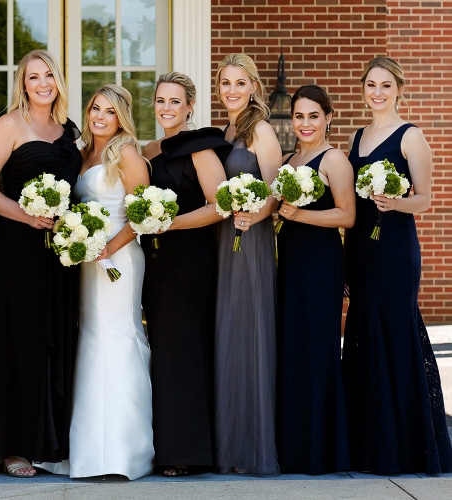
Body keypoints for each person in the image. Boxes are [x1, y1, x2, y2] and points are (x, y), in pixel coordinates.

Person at [0, 49, 81, 477]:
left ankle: (50, 443)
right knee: (19, 342)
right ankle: (13, 448)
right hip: (17, 248)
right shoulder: (9, 125)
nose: (42, 83)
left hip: (61, 252)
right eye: (33, 76)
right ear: (23, 83)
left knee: (56, 337)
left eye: (49, 75)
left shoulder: (69, 130)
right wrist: (25, 214)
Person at [342, 56, 452, 474]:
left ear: (398, 90)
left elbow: (425, 199)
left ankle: (407, 447)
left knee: (394, 331)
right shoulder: (357, 136)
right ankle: (366, 445)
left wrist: (394, 203)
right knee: (363, 332)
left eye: (385, 85)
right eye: (371, 84)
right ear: (363, 89)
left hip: (394, 250)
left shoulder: (411, 136)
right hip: (361, 248)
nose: (377, 92)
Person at [48, 84, 154, 479]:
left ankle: (124, 453)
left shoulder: (127, 154)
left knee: (118, 338)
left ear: (121, 117)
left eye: (110, 111)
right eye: (96, 108)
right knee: (90, 341)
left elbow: (143, 214)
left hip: (118, 259)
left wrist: (108, 247)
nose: (100, 116)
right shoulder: (81, 154)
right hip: (85, 259)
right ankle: (88, 449)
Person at [141, 72, 231, 476]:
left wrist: (171, 224)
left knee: (183, 352)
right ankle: (165, 445)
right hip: (155, 263)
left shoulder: (200, 148)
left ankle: (187, 452)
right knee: (163, 352)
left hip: (189, 261)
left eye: (175, 101)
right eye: (161, 100)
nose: (166, 108)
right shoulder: (148, 150)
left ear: (190, 106)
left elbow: (220, 205)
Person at [274, 85, 354, 474]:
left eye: (313, 116)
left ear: (328, 117)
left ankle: (321, 452)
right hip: (290, 263)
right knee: (292, 349)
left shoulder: (334, 159)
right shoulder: (288, 159)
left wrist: (300, 215)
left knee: (317, 349)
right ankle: (293, 449)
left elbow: (347, 216)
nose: (305, 124)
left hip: (321, 263)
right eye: (299, 116)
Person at [213, 53, 281, 476]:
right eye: (226, 83)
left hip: (250, 238)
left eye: (240, 83)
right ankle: (229, 444)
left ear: (254, 86)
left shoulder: (261, 129)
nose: (232, 90)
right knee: (228, 330)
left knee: (249, 330)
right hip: (224, 237)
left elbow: (276, 190)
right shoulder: (226, 130)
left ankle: (252, 445)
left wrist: (254, 217)